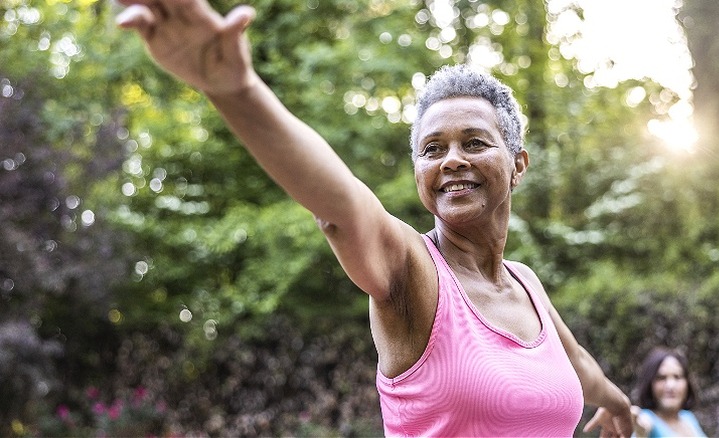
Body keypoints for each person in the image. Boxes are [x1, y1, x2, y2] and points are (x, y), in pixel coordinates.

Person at [115, 0, 633, 435]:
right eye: (433, 149)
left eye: (474, 142)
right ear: (418, 174)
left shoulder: (526, 284)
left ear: (517, 165)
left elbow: (579, 365)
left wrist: (618, 404)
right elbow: (339, 205)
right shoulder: (413, 271)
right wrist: (235, 89)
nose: (452, 159)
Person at [631, 347, 707, 437]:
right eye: (661, 378)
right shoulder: (647, 418)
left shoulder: (688, 418)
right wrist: (641, 432)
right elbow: (643, 427)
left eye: (677, 377)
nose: (670, 386)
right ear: (649, 384)